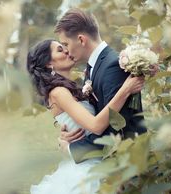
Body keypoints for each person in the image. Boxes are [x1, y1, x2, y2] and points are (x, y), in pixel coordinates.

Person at [27, 39, 144, 194]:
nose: (67, 51)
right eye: (60, 50)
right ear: (49, 63)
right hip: (86, 167)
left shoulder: (70, 87)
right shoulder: (58, 92)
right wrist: (125, 90)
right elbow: (96, 125)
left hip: (95, 156)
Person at [55, 8, 147, 164]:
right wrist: (70, 133)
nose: (66, 51)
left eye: (66, 44)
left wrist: (71, 148)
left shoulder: (112, 67)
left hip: (128, 164)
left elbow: (115, 130)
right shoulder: (94, 66)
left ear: (81, 40)